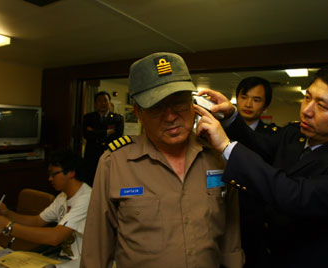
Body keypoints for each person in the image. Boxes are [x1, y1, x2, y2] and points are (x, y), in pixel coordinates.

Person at [195, 63, 328, 268]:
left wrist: (225, 146)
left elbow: (295, 195)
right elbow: (258, 145)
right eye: (307, 97)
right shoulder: (295, 135)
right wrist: (230, 115)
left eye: (322, 106)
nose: (307, 111)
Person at [81, 52, 244, 268]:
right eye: (157, 107)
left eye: (178, 103)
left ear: (193, 104)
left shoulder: (217, 157)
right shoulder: (115, 163)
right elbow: (96, 250)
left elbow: (231, 238)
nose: (170, 116)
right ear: (138, 113)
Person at [0, 149, 92, 267]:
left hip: (84, 262)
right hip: (65, 258)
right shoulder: (62, 196)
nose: (50, 179)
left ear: (71, 173)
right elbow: (37, 221)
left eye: (54, 174)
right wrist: (7, 213)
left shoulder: (86, 198)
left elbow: (55, 237)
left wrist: (8, 227)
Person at [235, 76, 279, 267]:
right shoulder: (217, 130)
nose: (248, 104)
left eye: (256, 99)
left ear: (265, 106)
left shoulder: (275, 137)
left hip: (257, 215)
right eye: (244, 97)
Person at [82, 91, 124, 186]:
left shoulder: (117, 119)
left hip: (109, 155)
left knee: (108, 184)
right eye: (100, 101)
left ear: (109, 103)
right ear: (96, 104)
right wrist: (106, 132)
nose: (103, 103)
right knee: (90, 184)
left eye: (105, 100)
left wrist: (94, 132)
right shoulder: (88, 117)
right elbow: (86, 135)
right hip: (91, 157)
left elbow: (117, 136)